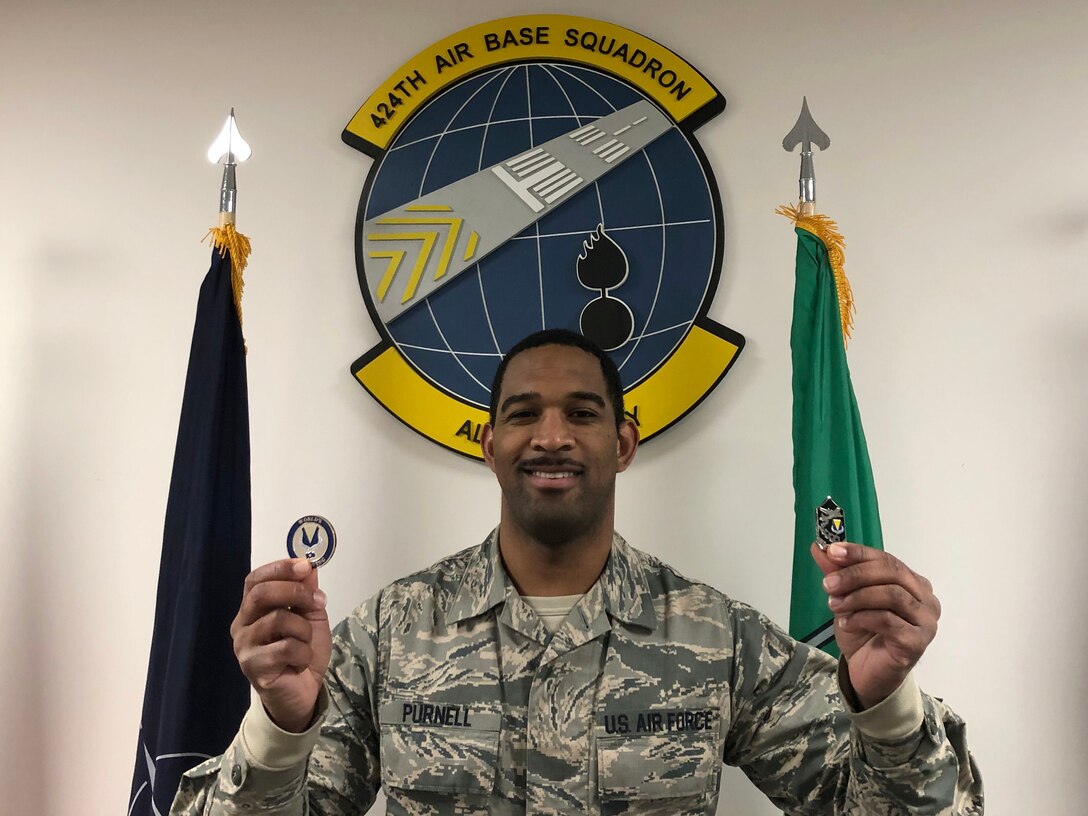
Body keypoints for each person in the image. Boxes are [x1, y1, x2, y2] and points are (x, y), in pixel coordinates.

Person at [171, 329, 983, 815]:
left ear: (623, 443)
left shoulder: (716, 637)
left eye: (582, 413)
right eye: (522, 413)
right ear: (487, 445)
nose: (551, 435)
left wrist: (884, 704)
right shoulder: (388, 633)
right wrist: (280, 724)